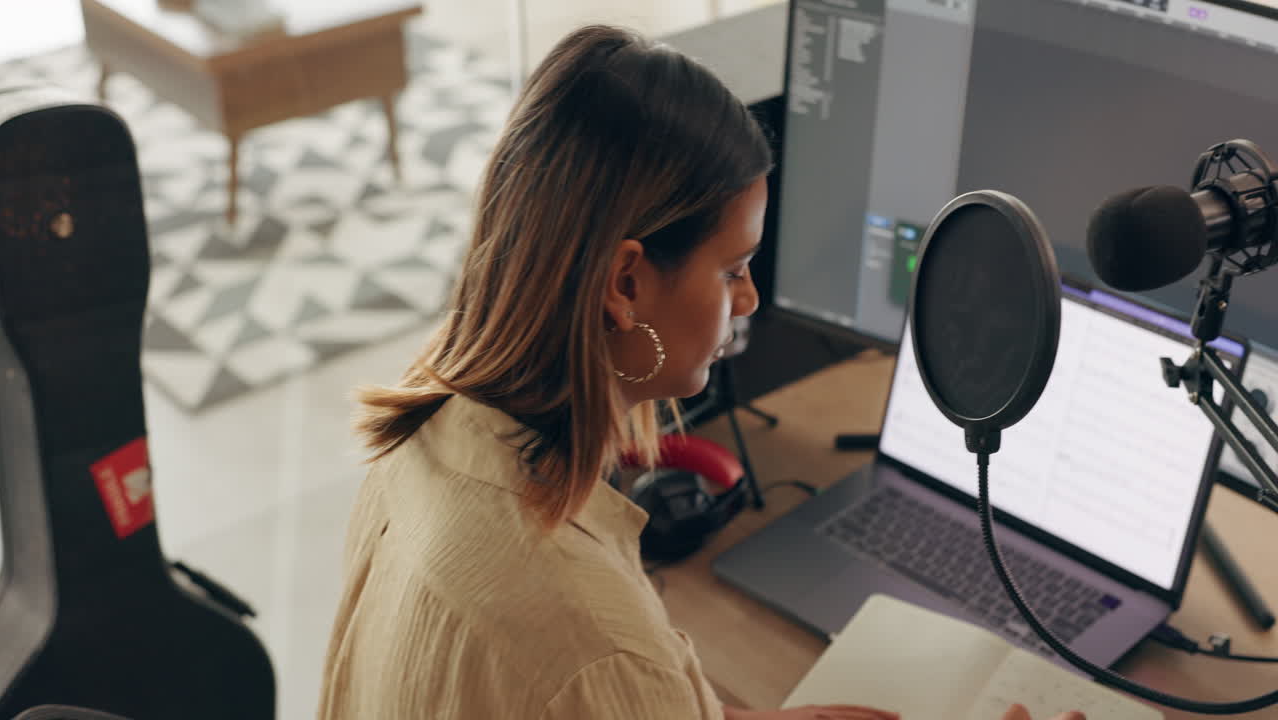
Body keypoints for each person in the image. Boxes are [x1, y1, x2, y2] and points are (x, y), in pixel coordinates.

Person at [316, 23, 1084, 720]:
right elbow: (592, 674)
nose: (748, 296)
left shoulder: (429, 430)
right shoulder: (592, 639)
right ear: (625, 286)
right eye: (734, 268)